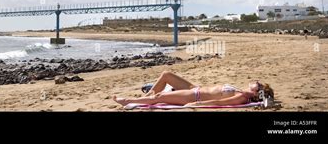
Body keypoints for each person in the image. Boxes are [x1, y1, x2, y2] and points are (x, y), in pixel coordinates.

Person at [113, 71, 274, 106]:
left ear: (256, 92)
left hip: (193, 96)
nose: (256, 81)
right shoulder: (241, 92)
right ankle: (146, 95)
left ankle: (127, 101)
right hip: (195, 89)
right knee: (167, 75)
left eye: (258, 84)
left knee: (159, 98)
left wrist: (197, 104)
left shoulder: (242, 97)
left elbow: (220, 103)